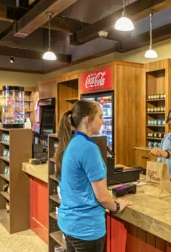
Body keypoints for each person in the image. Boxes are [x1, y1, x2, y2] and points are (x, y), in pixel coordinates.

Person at [55, 100, 132, 252]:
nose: (103, 121)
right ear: (88, 119)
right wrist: (116, 206)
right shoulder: (88, 148)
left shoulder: (71, 142)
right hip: (86, 227)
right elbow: (103, 197)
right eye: (100, 117)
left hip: (69, 221)